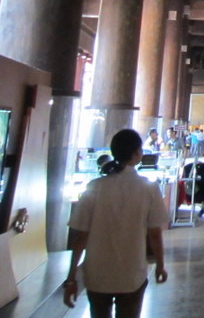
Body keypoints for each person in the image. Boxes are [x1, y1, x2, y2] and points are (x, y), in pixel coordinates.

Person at [64, 129, 169, 317]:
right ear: (137, 153)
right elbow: (155, 234)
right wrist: (160, 265)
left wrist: (71, 278)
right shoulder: (149, 188)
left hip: (97, 273)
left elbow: (81, 237)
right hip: (131, 272)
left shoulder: (95, 186)